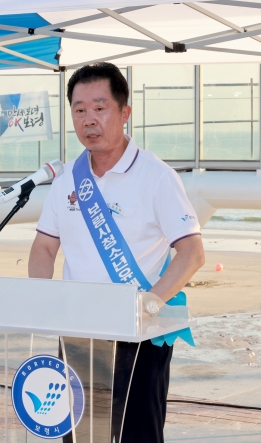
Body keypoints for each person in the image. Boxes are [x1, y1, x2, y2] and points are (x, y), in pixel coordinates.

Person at [28, 62, 205, 443]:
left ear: (125, 113)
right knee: (79, 435)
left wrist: (151, 303)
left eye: (99, 107)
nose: (88, 119)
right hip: (78, 332)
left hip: (138, 335)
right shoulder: (67, 180)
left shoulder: (156, 176)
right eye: (79, 109)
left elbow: (192, 253)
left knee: (137, 435)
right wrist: (42, 299)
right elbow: (44, 246)